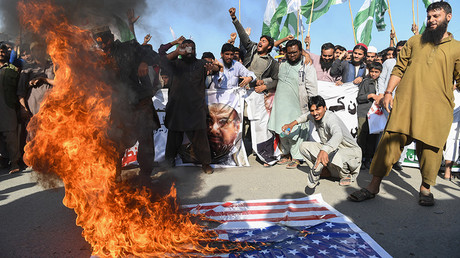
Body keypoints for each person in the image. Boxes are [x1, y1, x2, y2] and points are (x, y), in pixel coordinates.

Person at [348, 2, 460, 206]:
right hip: (406, 104)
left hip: (437, 109)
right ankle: (373, 186)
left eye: (436, 16)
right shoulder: (415, 41)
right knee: (388, 143)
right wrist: (388, 92)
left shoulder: (457, 48)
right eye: (429, 16)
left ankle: (425, 189)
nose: (432, 20)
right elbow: (398, 69)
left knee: (431, 150)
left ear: (448, 17)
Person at [91, 26, 160, 187]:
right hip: (119, 106)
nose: (103, 46)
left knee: (146, 141)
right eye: (99, 43)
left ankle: (145, 176)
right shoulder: (99, 59)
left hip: (140, 102)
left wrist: (143, 62)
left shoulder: (129, 47)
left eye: (105, 42)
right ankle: (115, 176)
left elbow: (153, 55)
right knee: (115, 142)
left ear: (111, 37)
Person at [161, 39, 218, 174]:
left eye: (191, 48)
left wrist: (212, 68)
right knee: (173, 137)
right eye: (185, 48)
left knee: (200, 137)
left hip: (195, 108)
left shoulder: (201, 63)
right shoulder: (175, 64)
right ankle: (169, 161)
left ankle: (206, 163)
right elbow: (162, 61)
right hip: (177, 107)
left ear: (195, 50)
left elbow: (215, 68)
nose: (188, 50)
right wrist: (176, 52)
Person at [282, 95, 361, 187]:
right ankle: (324, 171)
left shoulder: (330, 118)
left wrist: (325, 150)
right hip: (332, 152)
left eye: (318, 109)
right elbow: (305, 117)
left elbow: (338, 135)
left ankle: (346, 174)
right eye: (312, 110)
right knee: (303, 146)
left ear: (325, 108)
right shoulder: (314, 115)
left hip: (350, 153)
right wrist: (291, 125)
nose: (315, 113)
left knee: (333, 153)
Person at [268, 39, 317, 169]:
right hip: (281, 104)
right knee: (282, 128)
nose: (292, 55)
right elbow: (269, 52)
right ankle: (286, 154)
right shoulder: (282, 64)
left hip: (298, 104)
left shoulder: (307, 65)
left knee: (297, 131)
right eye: (289, 53)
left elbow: (312, 87)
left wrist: (313, 103)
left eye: (295, 52)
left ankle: (297, 157)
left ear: (301, 51)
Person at [356, 62, 382, 169]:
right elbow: (359, 98)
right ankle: (360, 160)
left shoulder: (381, 84)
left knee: (373, 137)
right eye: (372, 71)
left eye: (376, 72)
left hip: (376, 114)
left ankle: (368, 159)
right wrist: (370, 95)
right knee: (362, 136)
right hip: (364, 112)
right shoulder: (366, 82)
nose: (374, 74)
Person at [0, 44, 20, 174]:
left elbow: (18, 88)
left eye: (3, 51)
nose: (1, 53)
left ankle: (14, 162)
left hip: (7, 105)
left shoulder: (13, 69)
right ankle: (3, 160)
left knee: (10, 134)